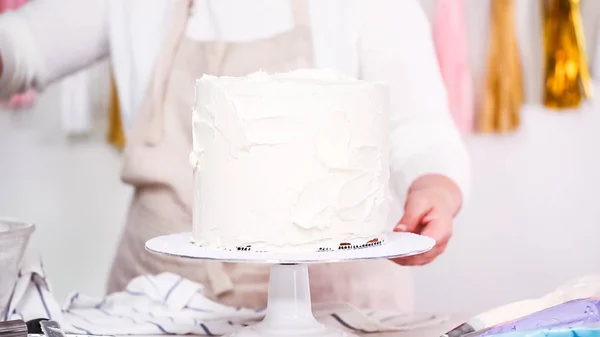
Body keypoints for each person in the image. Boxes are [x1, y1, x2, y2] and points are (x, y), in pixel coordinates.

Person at [0, 0, 470, 311]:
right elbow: (25, 47)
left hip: (336, 301)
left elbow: (418, 122)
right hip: (161, 297)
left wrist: (434, 184)